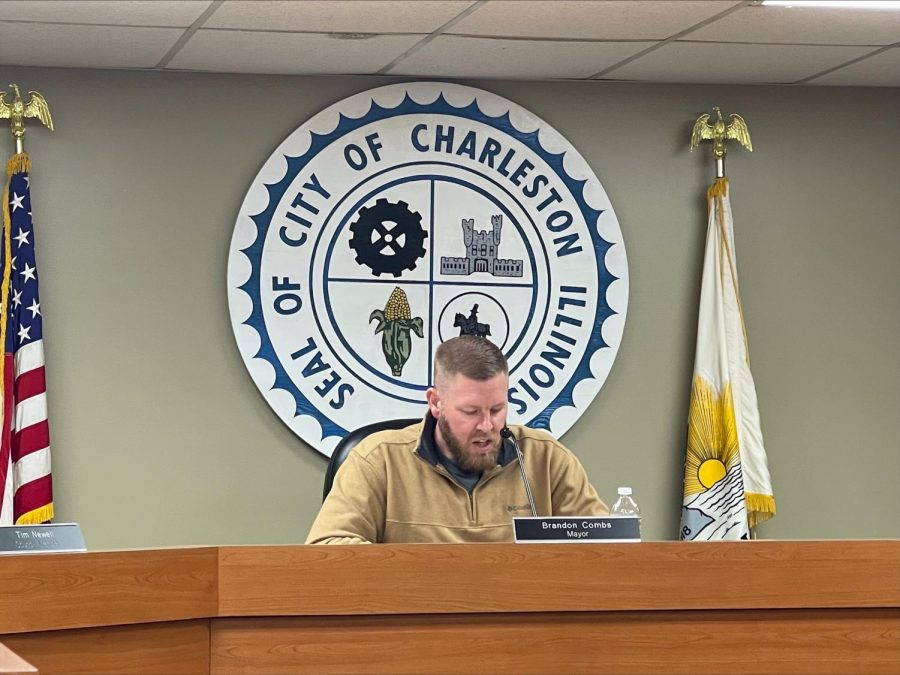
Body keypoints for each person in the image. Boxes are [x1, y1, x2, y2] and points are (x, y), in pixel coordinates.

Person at [305, 335, 608, 544]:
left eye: (497, 409)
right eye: (471, 411)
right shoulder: (378, 460)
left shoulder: (547, 460)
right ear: (435, 402)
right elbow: (328, 546)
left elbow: (609, 545)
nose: (487, 425)